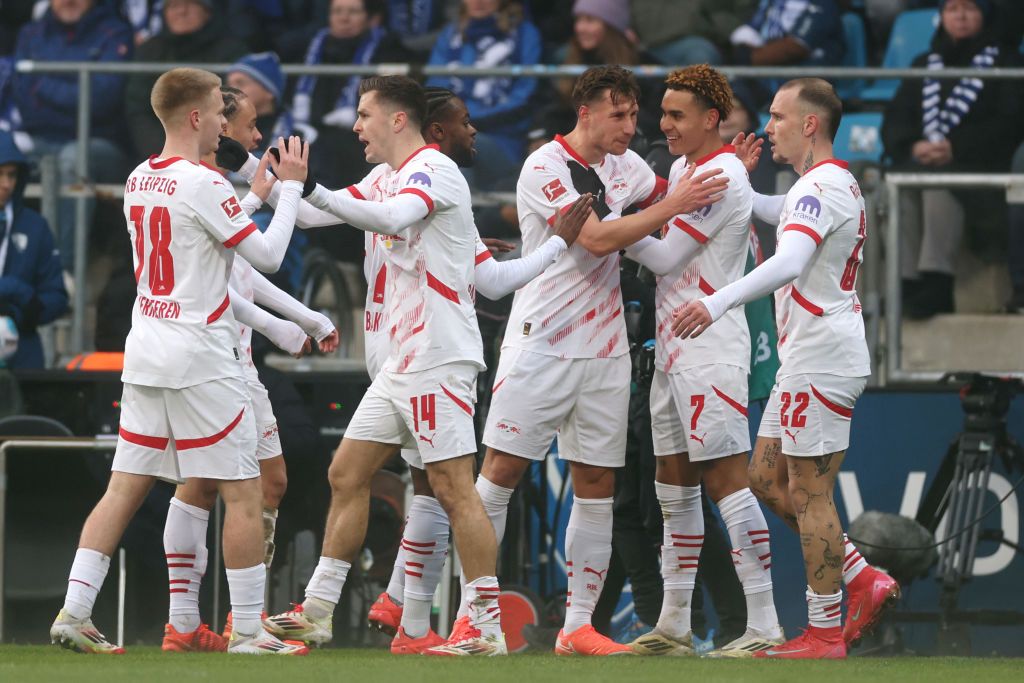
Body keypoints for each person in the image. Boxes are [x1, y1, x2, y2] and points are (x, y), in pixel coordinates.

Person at [49, 66, 309, 655]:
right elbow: (265, 256)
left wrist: (254, 197)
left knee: (125, 488)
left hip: (146, 351)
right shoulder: (205, 183)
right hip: (201, 356)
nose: (225, 122)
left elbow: (196, 245)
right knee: (242, 492)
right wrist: (289, 187)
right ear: (195, 116)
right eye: (219, 110)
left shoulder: (140, 177)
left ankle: (74, 610)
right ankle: (247, 632)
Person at [477, 64, 727, 657]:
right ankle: (476, 616)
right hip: (541, 340)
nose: (630, 126)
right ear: (584, 111)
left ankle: (578, 627)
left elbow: (658, 210)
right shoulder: (546, 164)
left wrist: (716, 171)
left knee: (595, 483)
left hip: (606, 345)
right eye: (618, 114)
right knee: (500, 474)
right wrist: (675, 205)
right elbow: (593, 238)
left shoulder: (629, 167)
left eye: (634, 114)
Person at [259, 75, 509, 656]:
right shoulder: (383, 175)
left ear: (399, 119)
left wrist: (311, 186)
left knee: (452, 487)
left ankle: (486, 624)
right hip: (403, 361)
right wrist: (266, 178)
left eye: (365, 113)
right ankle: (318, 611)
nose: (355, 125)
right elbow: (322, 216)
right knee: (346, 474)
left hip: (440, 356)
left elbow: (395, 218)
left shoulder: (433, 169)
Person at [672, 78, 899, 659]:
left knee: (809, 492)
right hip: (809, 356)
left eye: (776, 116)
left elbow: (791, 258)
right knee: (766, 479)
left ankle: (823, 632)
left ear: (809, 125)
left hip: (822, 356)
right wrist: (740, 182)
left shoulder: (820, 186)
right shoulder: (822, 183)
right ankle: (860, 576)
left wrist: (718, 300)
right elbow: (778, 213)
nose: (766, 126)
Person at [359, 86, 589, 655]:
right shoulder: (428, 177)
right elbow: (487, 280)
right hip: (424, 351)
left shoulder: (389, 180)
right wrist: (560, 243)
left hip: (392, 345)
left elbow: (487, 277)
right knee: (449, 487)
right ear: (434, 132)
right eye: (464, 122)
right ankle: (457, 618)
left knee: (410, 483)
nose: (474, 132)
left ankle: (402, 613)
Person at [158, 85, 339, 653]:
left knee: (261, 482)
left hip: (229, 354)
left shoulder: (215, 184)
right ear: (215, 123)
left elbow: (236, 274)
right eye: (249, 125)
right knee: (219, 485)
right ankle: (225, 623)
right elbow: (244, 265)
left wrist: (300, 320)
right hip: (212, 357)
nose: (258, 137)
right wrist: (284, 325)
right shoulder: (207, 184)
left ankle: (200, 623)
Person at [618, 64, 783, 658]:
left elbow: (663, 258)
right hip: (671, 342)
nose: (665, 126)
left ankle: (764, 624)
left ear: (712, 119)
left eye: (677, 115)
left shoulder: (718, 176)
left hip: (710, 345)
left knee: (726, 482)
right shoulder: (687, 170)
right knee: (673, 485)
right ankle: (675, 624)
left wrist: (611, 224)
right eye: (663, 114)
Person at [881, 0, 1024, 317]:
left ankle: (936, 281)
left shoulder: (1008, 62)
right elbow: (897, 117)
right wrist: (913, 145)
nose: (960, 16)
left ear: (985, 16)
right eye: (952, 9)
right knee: (900, 186)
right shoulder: (924, 63)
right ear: (942, 16)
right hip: (922, 160)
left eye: (970, 9)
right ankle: (906, 281)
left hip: (980, 168)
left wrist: (955, 147)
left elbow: (1010, 124)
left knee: (937, 186)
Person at [12, 0, 134, 271]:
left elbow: (101, 100)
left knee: (72, 159)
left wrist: (43, 85)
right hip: (38, 139)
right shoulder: (31, 33)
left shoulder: (114, 32)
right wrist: (77, 88)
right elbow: (22, 93)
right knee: (5, 155)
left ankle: (60, 274)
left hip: (101, 143)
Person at [291, 0, 410, 189]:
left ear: (371, 18)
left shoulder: (388, 48)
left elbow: (391, 95)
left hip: (359, 134)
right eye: (337, 11)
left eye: (353, 12)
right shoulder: (311, 46)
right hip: (312, 130)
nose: (343, 18)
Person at [426, 0, 542, 190]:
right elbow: (435, 85)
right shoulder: (450, 33)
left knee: (457, 144)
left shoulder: (524, 33)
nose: (478, 1)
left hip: (504, 140)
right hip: (452, 130)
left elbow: (524, 94)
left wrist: (464, 120)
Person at [124, 0, 248, 159]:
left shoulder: (231, 51)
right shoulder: (149, 51)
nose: (181, 11)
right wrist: (167, 154)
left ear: (207, 11)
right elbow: (139, 110)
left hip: (216, 152)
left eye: (191, 3)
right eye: (173, 5)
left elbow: (233, 109)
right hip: (160, 153)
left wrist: (211, 153)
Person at [0, 130, 68, 369]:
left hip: (22, 356)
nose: (6, 184)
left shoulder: (34, 226)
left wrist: (24, 312)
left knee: (25, 409)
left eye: (11, 175)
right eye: (0, 174)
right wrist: (13, 288)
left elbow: (56, 296)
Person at [226, 52, 294, 150]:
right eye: (229, 84)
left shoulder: (300, 135)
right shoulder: (218, 132)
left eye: (240, 83)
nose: (231, 90)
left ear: (269, 91)